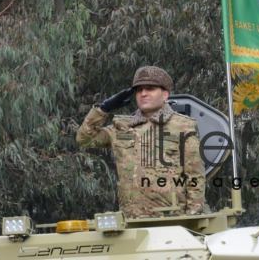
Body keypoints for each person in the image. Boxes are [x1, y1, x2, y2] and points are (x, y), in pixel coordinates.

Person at [76, 66, 205, 218]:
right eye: (139, 90)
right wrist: (103, 109)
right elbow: (84, 140)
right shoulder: (122, 127)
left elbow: (195, 175)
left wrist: (192, 217)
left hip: (170, 220)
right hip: (131, 220)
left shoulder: (183, 126)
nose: (143, 94)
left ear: (165, 94)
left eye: (150, 89)